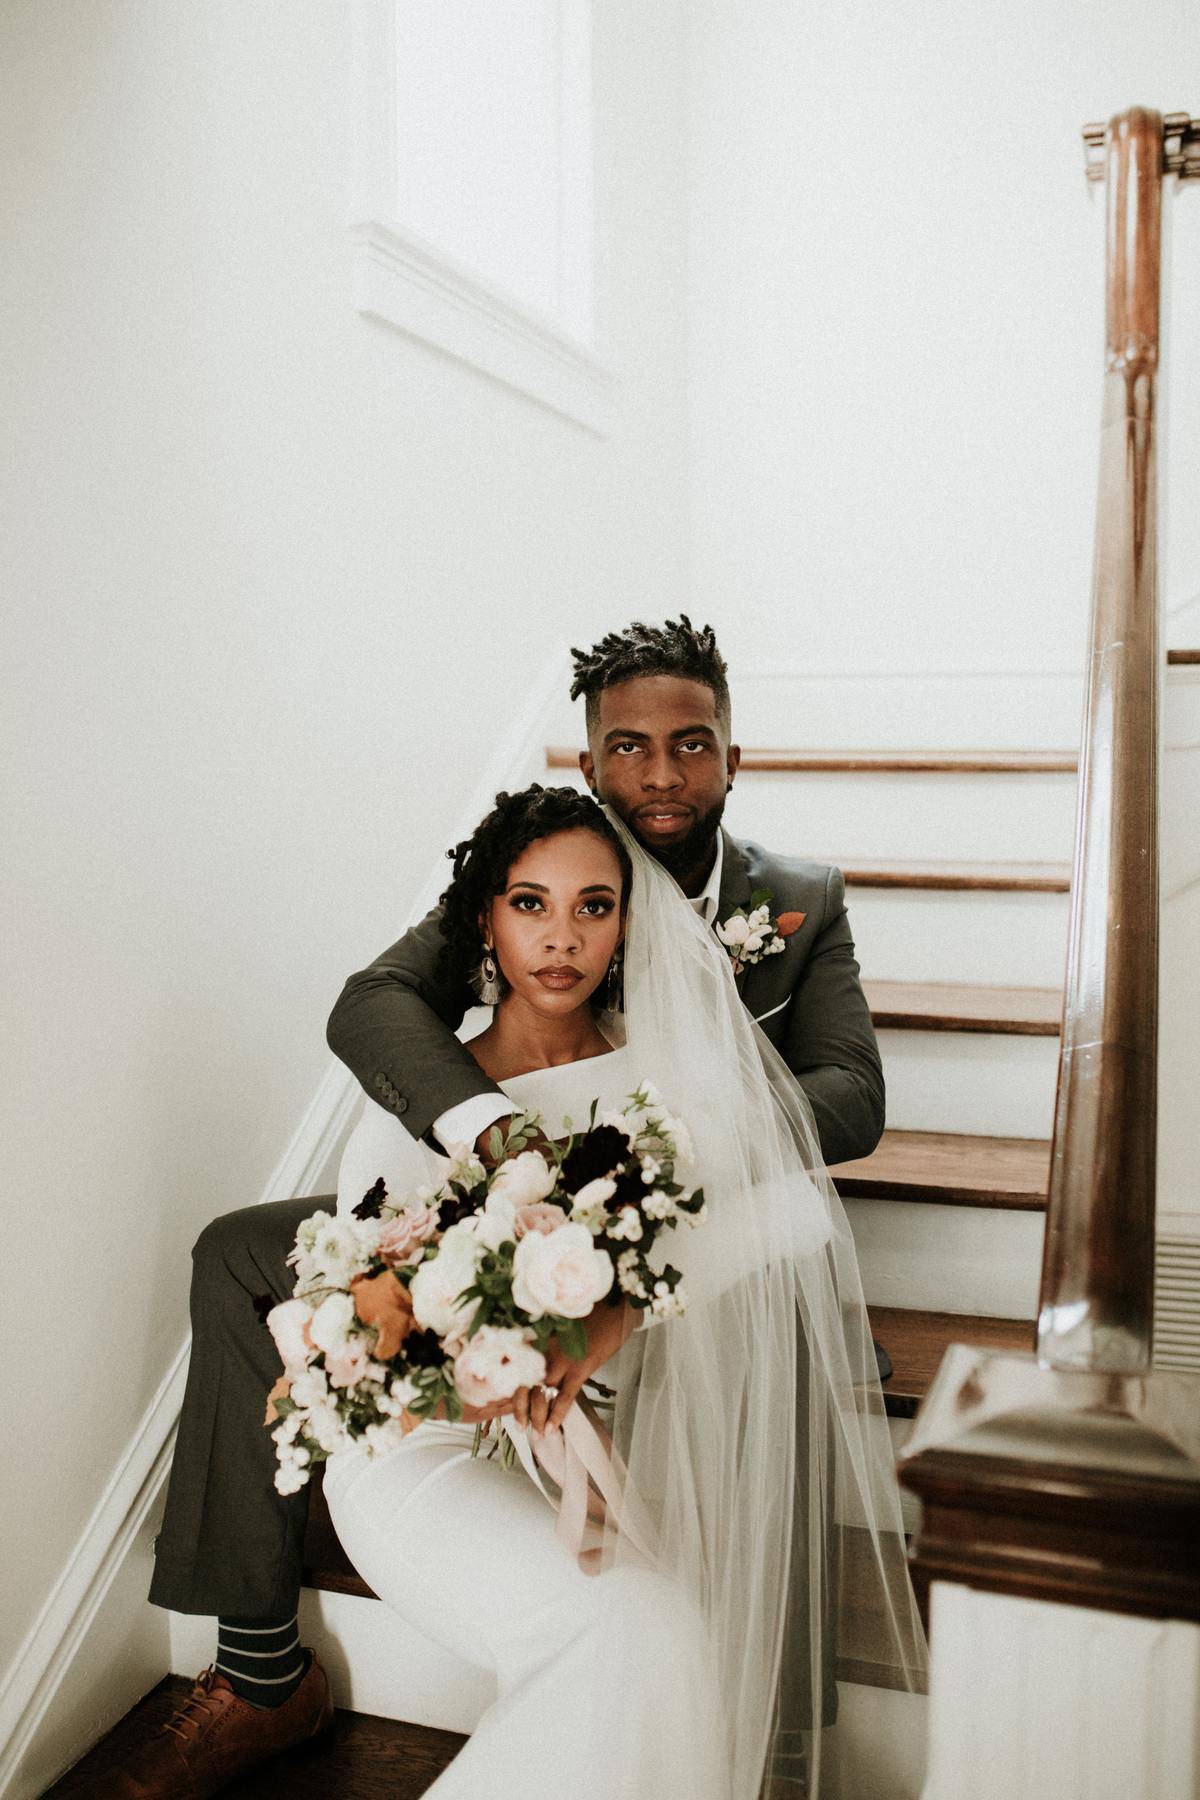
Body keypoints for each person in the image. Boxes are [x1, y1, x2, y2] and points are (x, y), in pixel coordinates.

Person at [132, 617, 891, 1797]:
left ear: (734, 757)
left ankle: (774, 1730)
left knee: (773, 1323)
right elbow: (375, 1002)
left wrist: (634, 1175)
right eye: (628, 747)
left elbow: (848, 1096)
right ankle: (261, 1670)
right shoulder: (544, 857)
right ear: (587, 761)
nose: (660, 774)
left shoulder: (795, 900)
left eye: (691, 746)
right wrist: (504, 1147)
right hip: (494, 1178)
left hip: (673, 1199)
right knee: (242, 1253)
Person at [321, 783, 922, 1798]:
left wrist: (620, 1306)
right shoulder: (427, 1099)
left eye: (594, 906)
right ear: (485, 919)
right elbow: (363, 1350)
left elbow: (794, 1219)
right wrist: (494, 1359)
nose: (563, 937)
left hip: (617, 1449)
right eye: (531, 904)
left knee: (666, 1645)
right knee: (632, 1631)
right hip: (429, 1457)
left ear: (627, 924)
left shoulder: (670, 1088)